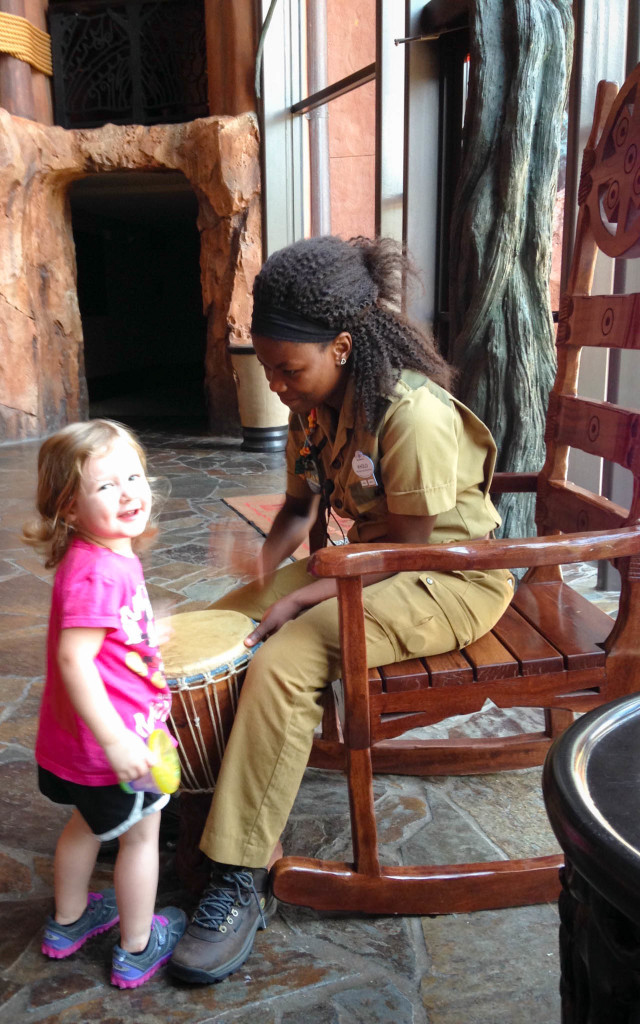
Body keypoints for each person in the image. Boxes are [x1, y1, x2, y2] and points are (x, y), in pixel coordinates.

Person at [168, 235, 515, 985]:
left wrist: (300, 596)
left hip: (446, 578)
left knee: (291, 656)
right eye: (270, 371)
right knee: (226, 625)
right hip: (364, 565)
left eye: (289, 370)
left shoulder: (412, 416)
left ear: (346, 345)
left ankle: (236, 872)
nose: (279, 386)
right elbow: (297, 511)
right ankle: (184, 789)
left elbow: (407, 556)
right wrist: (266, 573)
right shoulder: (315, 403)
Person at [24, 419, 186, 990]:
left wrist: (145, 633)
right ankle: (139, 945)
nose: (129, 493)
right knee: (140, 838)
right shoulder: (100, 573)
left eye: (134, 476)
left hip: (69, 746)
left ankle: (68, 922)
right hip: (111, 745)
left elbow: (99, 639)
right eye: (105, 486)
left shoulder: (98, 557)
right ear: (68, 508)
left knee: (85, 826)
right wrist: (118, 739)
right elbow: (74, 659)